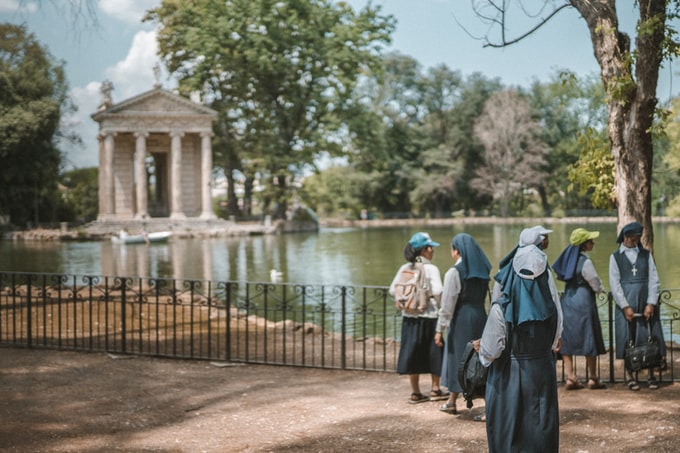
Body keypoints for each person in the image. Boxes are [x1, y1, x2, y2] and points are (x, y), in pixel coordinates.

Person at [477, 226, 563, 453]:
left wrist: (481, 350)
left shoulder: (501, 310)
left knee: (511, 433)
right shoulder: (551, 309)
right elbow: (555, 338)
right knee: (540, 430)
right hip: (542, 373)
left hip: (510, 378)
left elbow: (489, 352)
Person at [435, 233, 492, 416]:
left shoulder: (454, 272)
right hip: (480, 317)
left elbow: (447, 304)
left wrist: (439, 329)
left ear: (456, 250)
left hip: (461, 319)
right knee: (480, 359)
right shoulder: (483, 271)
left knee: (458, 358)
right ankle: (484, 404)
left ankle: (452, 401)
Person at [389, 232, 447, 404]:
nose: (433, 251)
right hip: (428, 316)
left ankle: (415, 392)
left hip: (409, 316)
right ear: (425, 250)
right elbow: (437, 292)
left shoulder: (405, 267)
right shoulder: (431, 269)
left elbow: (393, 290)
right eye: (431, 248)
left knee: (412, 352)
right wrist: (441, 307)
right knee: (434, 352)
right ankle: (435, 389)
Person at [609, 221, 665, 390]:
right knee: (628, 338)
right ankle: (630, 376)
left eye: (637, 239)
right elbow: (614, 283)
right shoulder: (615, 257)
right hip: (626, 303)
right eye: (632, 239)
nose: (634, 242)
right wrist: (625, 306)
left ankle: (651, 374)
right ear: (625, 238)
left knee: (648, 337)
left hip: (644, 301)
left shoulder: (646, 255)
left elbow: (654, 280)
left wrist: (650, 303)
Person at [552, 228, 607, 390]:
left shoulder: (569, 260)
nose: (593, 243)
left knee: (567, 338)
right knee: (589, 336)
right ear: (584, 245)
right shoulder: (585, 261)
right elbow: (594, 281)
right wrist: (600, 289)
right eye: (590, 241)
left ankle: (571, 376)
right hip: (583, 301)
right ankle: (593, 378)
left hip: (568, 300)